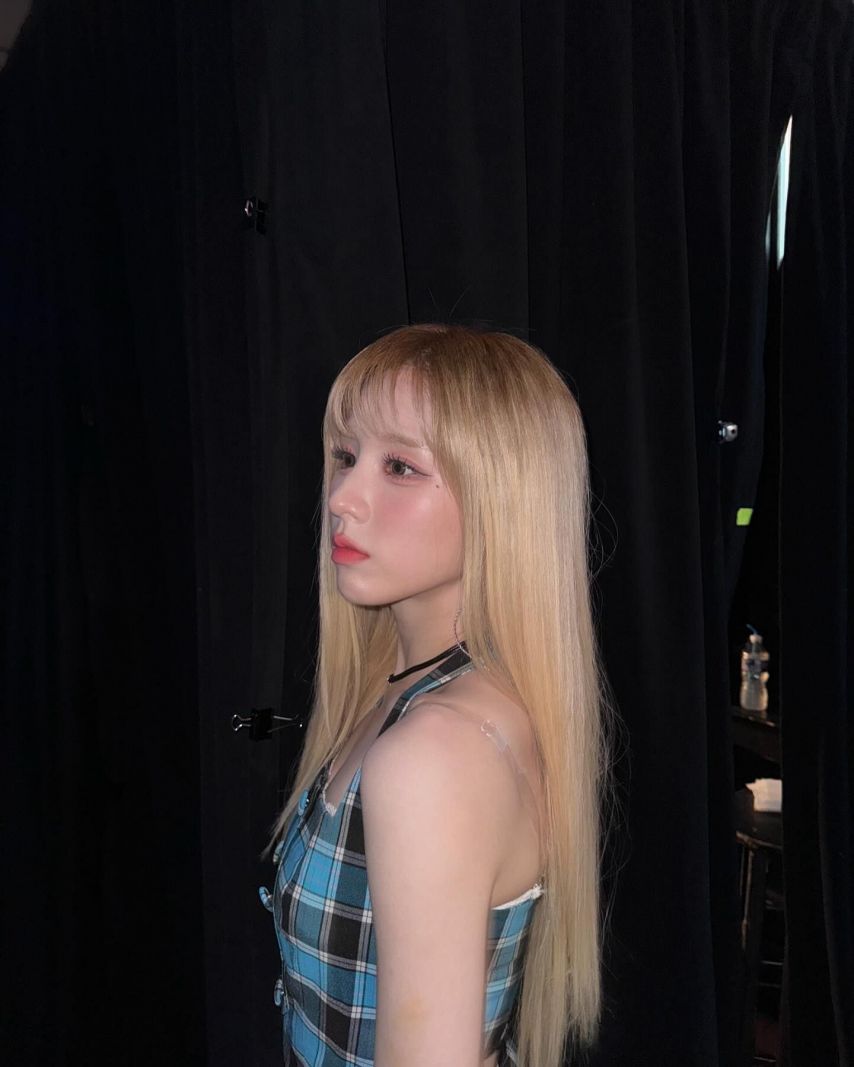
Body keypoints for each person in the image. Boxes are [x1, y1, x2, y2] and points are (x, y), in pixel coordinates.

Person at [258, 323, 618, 1066]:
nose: (343, 498)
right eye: (345, 455)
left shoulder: (434, 754)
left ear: (502, 496)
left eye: (400, 466)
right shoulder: (425, 692)